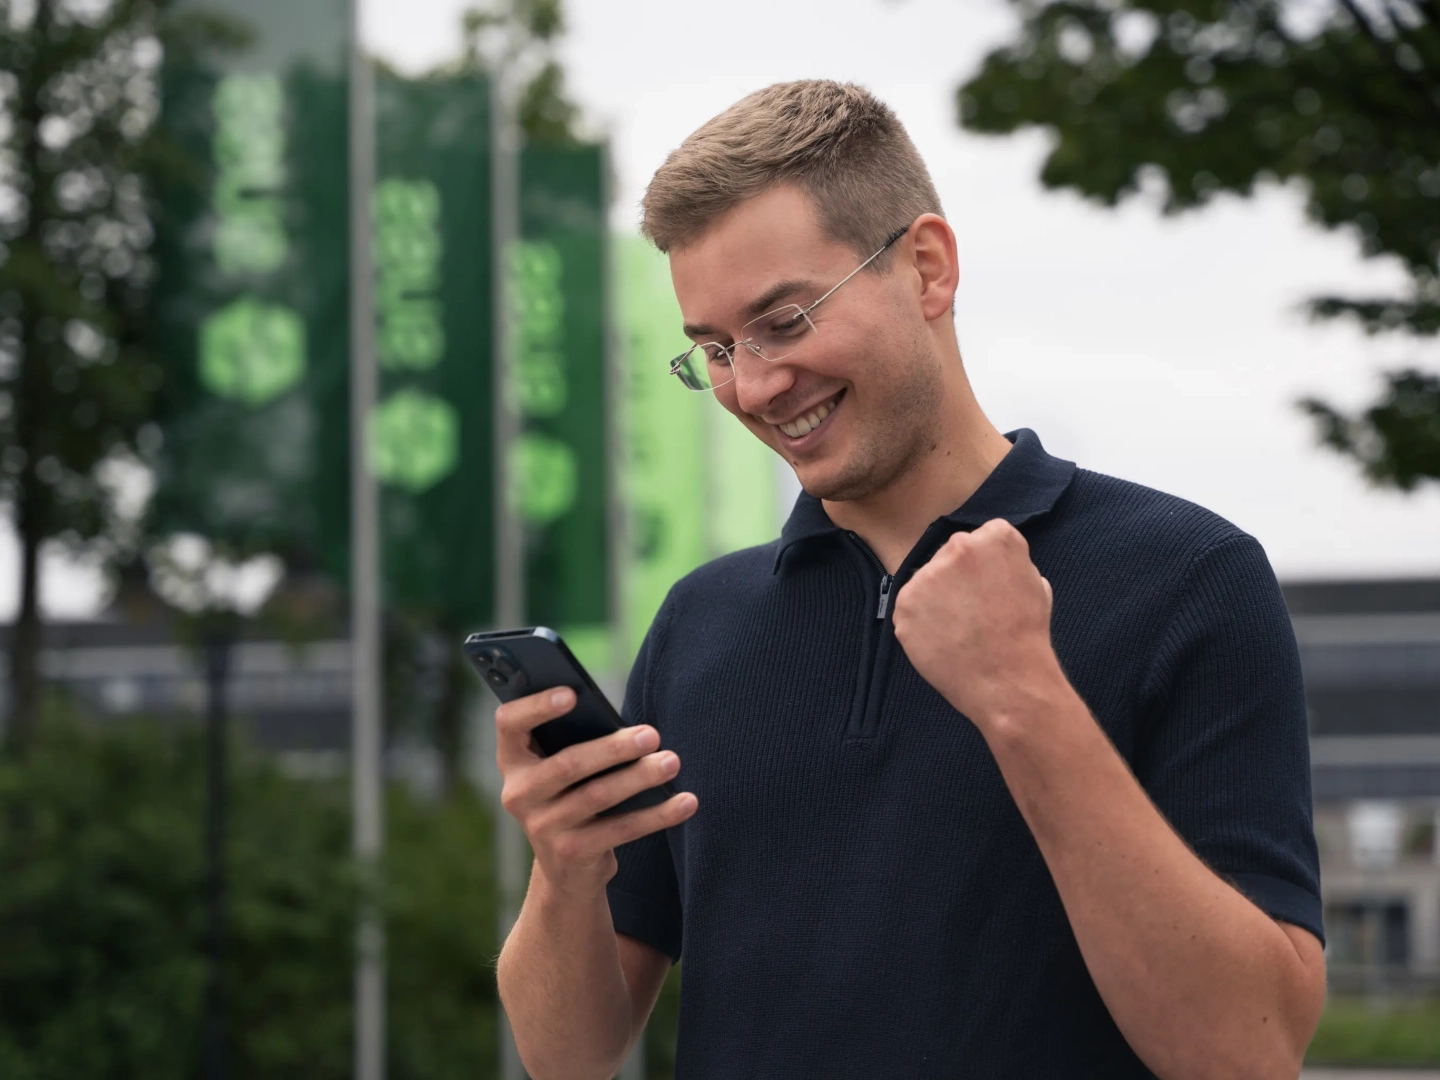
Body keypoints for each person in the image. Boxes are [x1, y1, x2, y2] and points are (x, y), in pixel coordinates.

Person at [493, 80, 1326, 1079]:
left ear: (926, 268)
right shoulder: (700, 623)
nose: (752, 388)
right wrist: (565, 871)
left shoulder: (1189, 579)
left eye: (785, 322)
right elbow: (565, 1058)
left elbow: (1252, 1051)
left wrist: (1025, 702)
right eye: (713, 350)